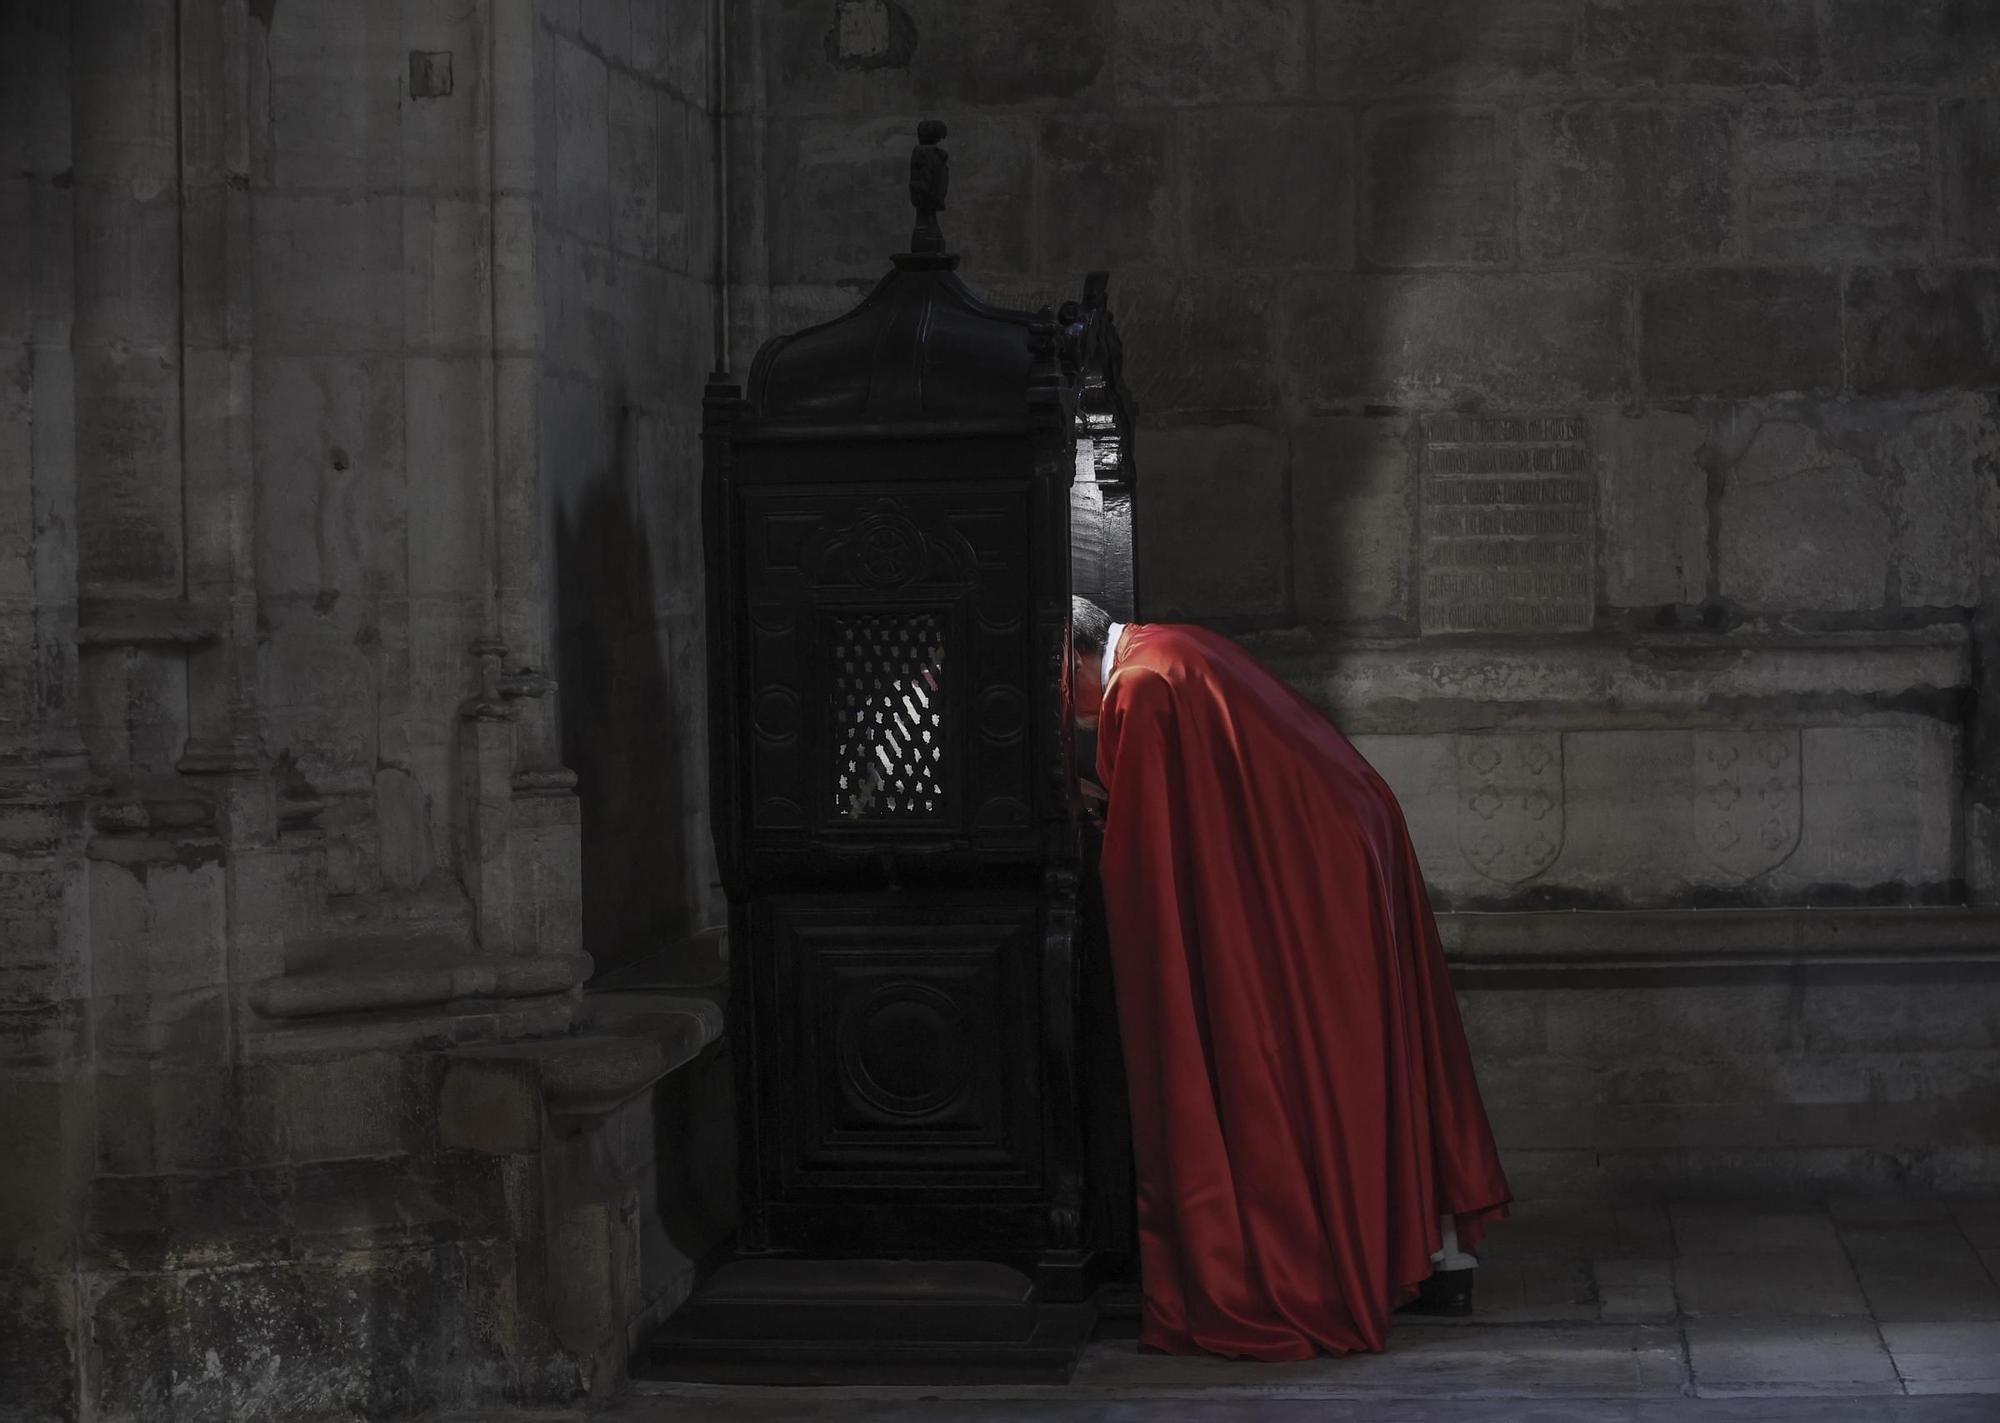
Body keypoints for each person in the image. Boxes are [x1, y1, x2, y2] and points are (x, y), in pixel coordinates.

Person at [1069, 596, 1511, 1361]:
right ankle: (1439, 1258)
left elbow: (1147, 859)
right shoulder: (1168, 642)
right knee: (1369, 1059)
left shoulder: (1141, 687)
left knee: (1312, 1067)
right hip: (1346, 834)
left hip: (1317, 866)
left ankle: (1353, 1265)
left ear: (1064, 656)